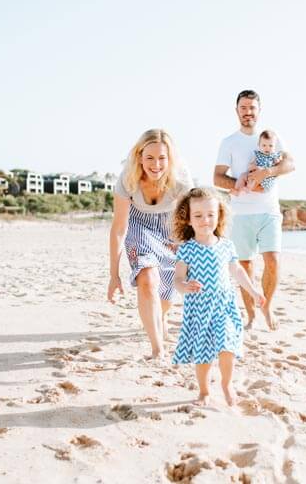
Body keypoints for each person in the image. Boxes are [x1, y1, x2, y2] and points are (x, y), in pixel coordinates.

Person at [171, 187, 265, 406]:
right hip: (200, 308)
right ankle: (204, 391)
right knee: (203, 354)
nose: (205, 220)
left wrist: (253, 291)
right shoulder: (187, 249)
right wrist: (185, 286)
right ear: (188, 220)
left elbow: (237, 271)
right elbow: (177, 279)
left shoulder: (226, 245)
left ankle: (226, 383)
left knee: (227, 345)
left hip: (224, 305)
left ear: (219, 216)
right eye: (198, 216)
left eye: (211, 215)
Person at [214, 90, 295, 330]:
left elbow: (290, 164)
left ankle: (267, 307)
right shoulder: (229, 142)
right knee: (245, 266)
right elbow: (217, 177)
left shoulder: (271, 137)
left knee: (273, 261)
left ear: (259, 110)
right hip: (240, 214)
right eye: (243, 107)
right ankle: (250, 316)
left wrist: (265, 173)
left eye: (252, 108)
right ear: (236, 109)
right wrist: (238, 185)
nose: (248, 112)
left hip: (269, 211)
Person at [107, 129, 192, 359]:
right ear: (139, 156)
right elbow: (118, 229)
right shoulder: (128, 178)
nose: (156, 165)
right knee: (147, 280)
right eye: (150, 158)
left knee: (166, 296)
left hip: (170, 228)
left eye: (162, 158)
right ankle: (158, 349)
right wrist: (114, 275)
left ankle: (161, 317)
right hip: (138, 226)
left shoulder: (181, 179)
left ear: (170, 158)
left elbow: (190, 221)